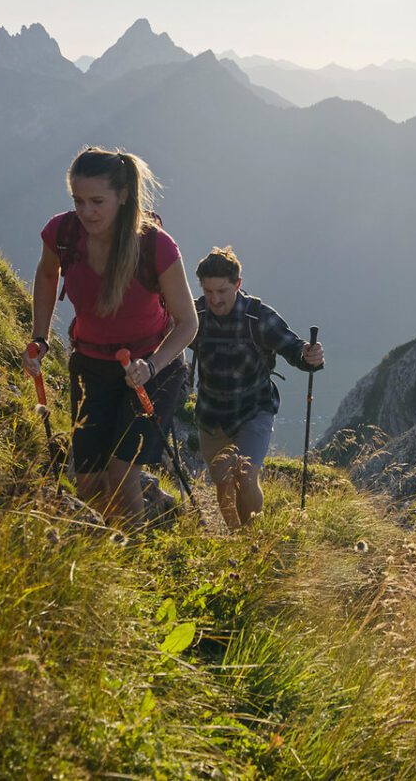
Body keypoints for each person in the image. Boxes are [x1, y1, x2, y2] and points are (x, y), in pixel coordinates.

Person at [25, 146, 198, 527]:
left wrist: (151, 367)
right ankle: (103, 557)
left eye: (97, 201)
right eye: (79, 200)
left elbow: (187, 323)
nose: (87, 212)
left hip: (153, 368)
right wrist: (40, 337)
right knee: (87, 483)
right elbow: (47, 275)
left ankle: (132, 559)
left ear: (122, 196)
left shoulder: (156, 245)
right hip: (91, 364)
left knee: (121, 478)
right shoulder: (63, 233)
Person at [189, 246, 323, 529]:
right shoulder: (194, 313)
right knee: (222, 481)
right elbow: (167, 337)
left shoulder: (258, 317)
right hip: (211, 416)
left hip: (253, 411)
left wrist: (309, 356)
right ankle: (236, 540)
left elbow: (293, 348)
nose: (215, 299)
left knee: (245, 475)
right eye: (209, 291)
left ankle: (254, 538)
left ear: (238, 284)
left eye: (222, 291)